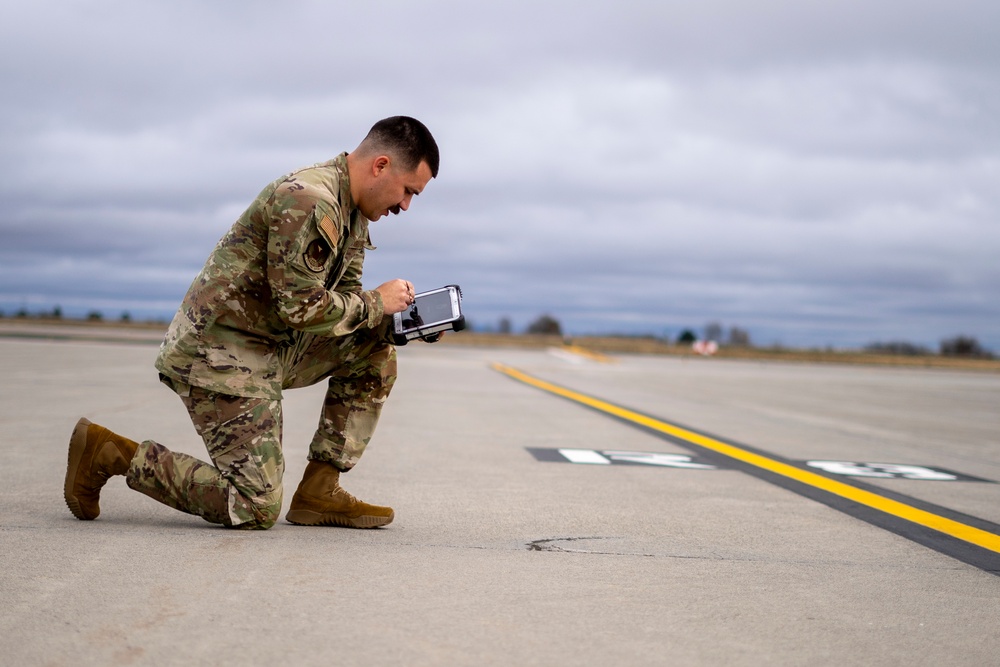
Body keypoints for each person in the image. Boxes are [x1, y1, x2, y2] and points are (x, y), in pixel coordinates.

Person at [64, 116, 440, 530]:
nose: (405, 206)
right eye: (408, 191)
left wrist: (394, 324)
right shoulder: (308, 199)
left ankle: (319, 490)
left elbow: (342, 303)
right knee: (254, 507)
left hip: (270, 345)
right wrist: (375, 302)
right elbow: (300, 308)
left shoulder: (354, 214)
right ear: (381, 165)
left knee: (375, 351)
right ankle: (110, 452)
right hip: (219, 352)